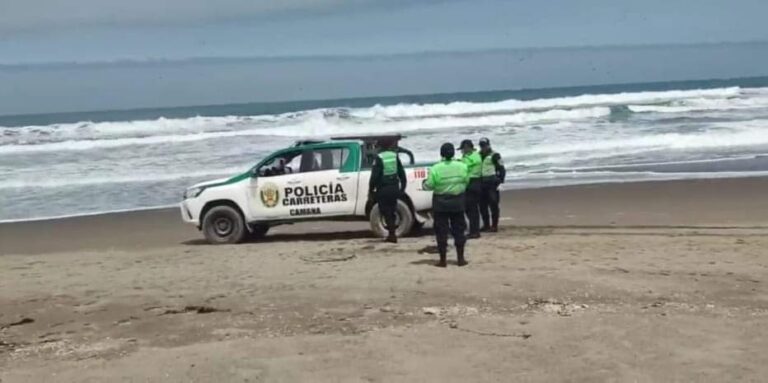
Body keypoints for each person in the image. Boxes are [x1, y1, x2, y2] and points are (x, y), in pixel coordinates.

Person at [423, 143, 469, 267]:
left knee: (441, 232)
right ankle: (460, 259)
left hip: (440, 203)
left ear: (441, 154)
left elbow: (430, 185)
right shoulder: (462, 166)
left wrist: (424, 185)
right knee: (459, 230)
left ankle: (443, 260)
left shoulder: (435, 168)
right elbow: (466, 180)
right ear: (454, 153)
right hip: (457, 201)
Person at [369, 139, 407, 243]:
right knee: (392, 209)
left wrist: (371, 190)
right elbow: (401, 173)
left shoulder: (379, 157)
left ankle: (392, 235)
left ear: (380, 147)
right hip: (394, 187)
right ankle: (392, 234)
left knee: (385, 211)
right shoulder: (394, 156)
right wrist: (402, 187)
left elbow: (375, 176)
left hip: (383, 188)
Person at [478, 137, 505, 232]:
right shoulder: (478, 155)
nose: (483, 147)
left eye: (484, 145)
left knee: (493, 204)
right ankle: (486, 225)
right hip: (482, 182)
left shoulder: (495, 155)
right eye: (481, 145)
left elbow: (501, 168)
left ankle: (494, 225)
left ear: (488, 145)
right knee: (482, 206)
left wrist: (501, 181)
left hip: (492, 183)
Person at [460, 139, 482, 239]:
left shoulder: (473, 157)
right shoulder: (471, 156)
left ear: (467, 148)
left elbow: (464, 167)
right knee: (470, 209)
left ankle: (474, 231)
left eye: (463, 149)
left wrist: (461, 161)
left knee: (471, 209)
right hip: (472, 183)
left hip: (473, 182)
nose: (462, 151)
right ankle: (474, 230)